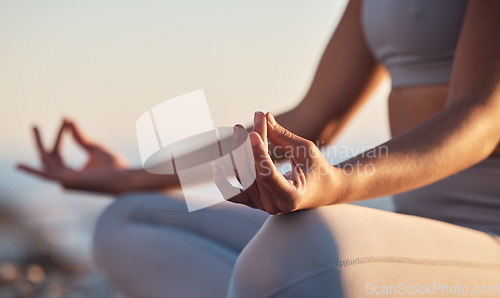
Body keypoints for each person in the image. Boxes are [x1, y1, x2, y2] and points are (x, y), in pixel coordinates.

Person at [18, 0, 500, 297]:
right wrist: (125, 179)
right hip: (417, 241)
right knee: (130, 219)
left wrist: (338, 184)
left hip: (488, 249)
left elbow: (479, 120)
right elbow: (310, 120)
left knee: (301, 248)